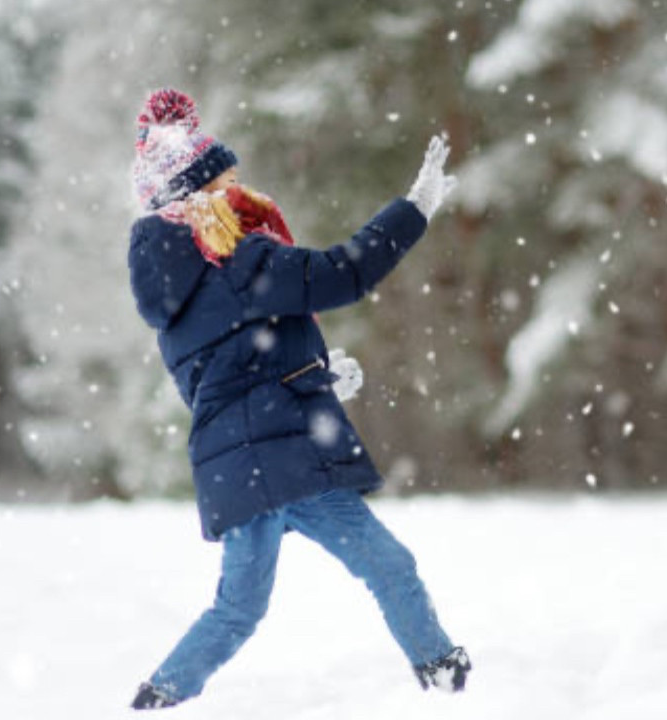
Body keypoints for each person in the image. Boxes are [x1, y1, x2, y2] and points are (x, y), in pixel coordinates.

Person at [125, 88, 469, 709]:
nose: (240, 185)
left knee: (238, 608)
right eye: (228, 177)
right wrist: (414, 209)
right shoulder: (233, 256)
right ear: (202, 193)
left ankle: (157, 698)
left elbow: (215, 384)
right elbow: (344, 272)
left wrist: (314, 376)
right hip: (287, 463)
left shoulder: (172, 294)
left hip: (237, 466)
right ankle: (446, 675)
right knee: (390, 566)